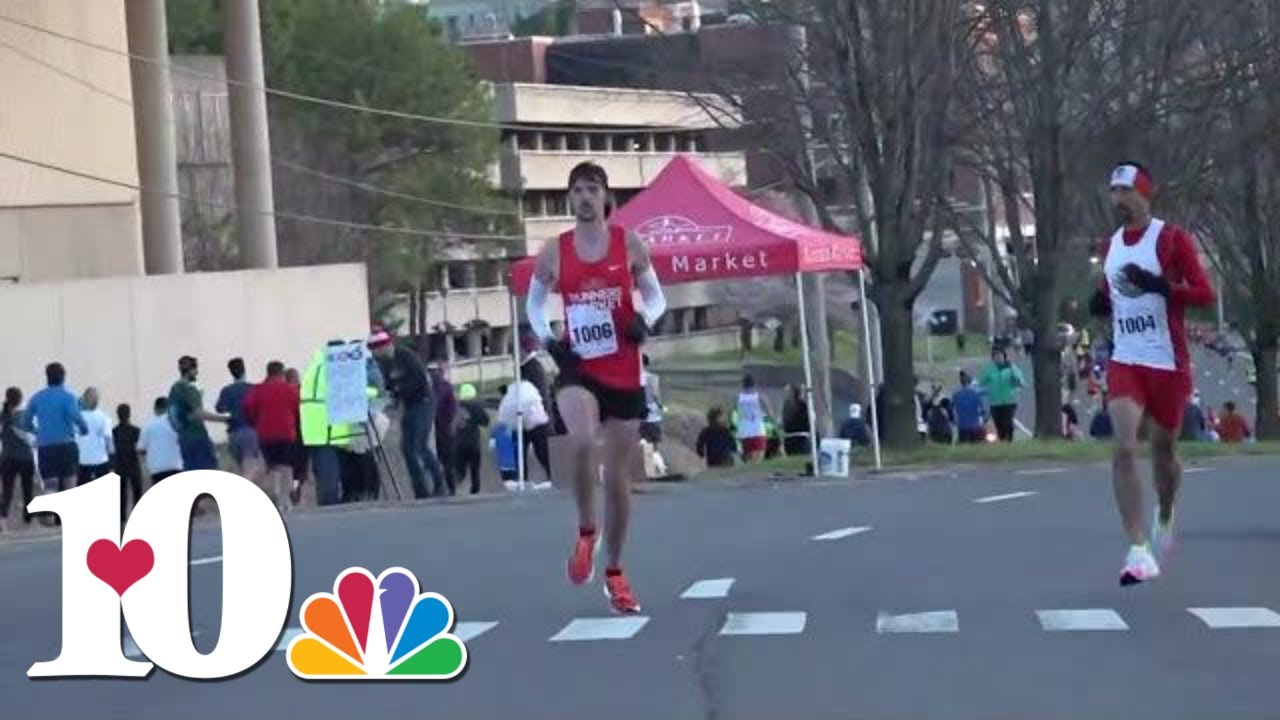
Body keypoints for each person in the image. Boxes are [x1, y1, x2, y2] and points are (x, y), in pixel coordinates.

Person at [525, 161, 667, 614]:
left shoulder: (629, 244)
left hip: (624, 368)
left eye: (592, 189)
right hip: (578, 366)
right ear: (569, 200)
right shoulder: (555, 251)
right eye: (577, 190)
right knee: (583, 441)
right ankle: (587, 531)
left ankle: (615, 571)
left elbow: (657, 296)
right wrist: (550, 340)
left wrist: (645, 320)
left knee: (619, 479)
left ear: (605, 197)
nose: (584, 197)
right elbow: (532, 304)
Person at [1088, 160, 1216, 585]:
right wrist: (1101, 302)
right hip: (1127, 359)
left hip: (1168, 362)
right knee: (1124, 447)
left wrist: (1161, 286)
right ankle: (1137, 548)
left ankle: (1165, 509)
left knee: (1164, 453)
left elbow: (1204, 293)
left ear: (1146, 194)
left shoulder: (1171, 239)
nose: (1119, 201)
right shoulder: (1110, 246)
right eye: (1114, 193)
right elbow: (1113, 291)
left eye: (1127, 192)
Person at [368, 330, 447, 499]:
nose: (374, 355)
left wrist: (399, 389)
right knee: (408, 449)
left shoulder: (406, 356)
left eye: (375, 350)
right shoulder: (384, 363)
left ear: (384, 347)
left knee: (418, 446)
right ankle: (421, 490)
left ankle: (439, 484)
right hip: (409, 405)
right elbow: (390, 385)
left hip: (423, 402)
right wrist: (392, 396)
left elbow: (420, 380)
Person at [23, 363, 87, 525]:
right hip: (66, 445)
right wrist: (83, 428)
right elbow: (75, 415)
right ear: (63, 377)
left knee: (50, 483)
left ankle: (50, 519)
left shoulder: (37, 397)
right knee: (69, 482)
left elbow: (25, 421)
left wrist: (36, 431)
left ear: (47, 377)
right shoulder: (68, 397)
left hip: (45, 447)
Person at [244, 361, 302, 513]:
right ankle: (285, 500)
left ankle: (275, 496)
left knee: (273, 467)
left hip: (265, 434)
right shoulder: (288, 389)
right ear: (281, 373)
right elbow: (297, 406)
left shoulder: (257, 389)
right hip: (285, 432)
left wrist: (255, 421)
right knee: (287, 467)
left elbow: (248, 407)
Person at [168, 356, 229, 471]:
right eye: (195, 369)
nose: (197, 372)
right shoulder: (190, 389)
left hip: (183, 438)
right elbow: (198, 413)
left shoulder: (174, 389)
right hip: (197, 436)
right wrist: (224, 419)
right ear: (191, 370)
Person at [216, 358, 264, 482]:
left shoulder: (227, 390)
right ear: (244, 370)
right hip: (250, 432)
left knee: (243, 470)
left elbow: (220, 409)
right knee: (252, 469)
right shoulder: (253, 388)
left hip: (233, 434)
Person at [498, 378, 552, 483]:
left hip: (519, 424)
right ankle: (551, 475)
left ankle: (521, 479)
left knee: (520, 454)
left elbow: (503, 419)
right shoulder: (527, 388)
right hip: (536, 421)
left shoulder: (509, 398)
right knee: (542, 451)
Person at [1, 387, 36, 532]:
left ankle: (3, 521)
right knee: (28, 490)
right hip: (26, 458)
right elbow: (34, 432)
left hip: (8, 458)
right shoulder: (25, 415)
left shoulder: (2, 417)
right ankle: (28, 521)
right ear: (20, 400)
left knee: (7, 491)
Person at [979, 348, 1024, 442]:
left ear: (1004, 357)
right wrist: (986, 390)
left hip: (1009, 401)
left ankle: (1010, 440)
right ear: (993, 359)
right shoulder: (989, 369)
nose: (998, 358)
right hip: (995, 402)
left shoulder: (1011, 367)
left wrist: (1014, 375)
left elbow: (1020, 381)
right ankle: (1003, 440)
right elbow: (980, 383)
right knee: (999, 424)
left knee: (1008, 422)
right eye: (996, 357)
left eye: (1000, 356)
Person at [139, 397, 183, 485]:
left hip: (157, 470)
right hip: (176, 467)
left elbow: (141, 449)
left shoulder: (147, 426)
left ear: (155, 409)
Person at [428, 363, 458, 496]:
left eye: (436, 371)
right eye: (431, 371)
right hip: (435, 428)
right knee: (438, 460)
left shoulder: (444, 388)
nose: (434, 374)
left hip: (443, 428)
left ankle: (449, 488)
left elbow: (452, 408)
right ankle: (441, 487)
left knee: (446, 461)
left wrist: (451, 424)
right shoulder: (432, 387)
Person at [454, 383, 489, 495]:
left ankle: (452, 487)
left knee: (459, 469)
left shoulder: (455, 407)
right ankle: (475, 490)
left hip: (458, 443)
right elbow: (485, 421)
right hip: (473, 442)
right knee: (475, 469)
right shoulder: (476, 407)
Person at [75, 387, 113, 486]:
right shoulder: (104, 417)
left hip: (83, 462)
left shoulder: (77, 418)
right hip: (101, 461)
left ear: (84, 399)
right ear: (97, 400)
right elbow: (108, 441)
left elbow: (73, 439)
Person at [112, 403, 143, 521]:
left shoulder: (114, 432)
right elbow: (139, 448)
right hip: (133, 463)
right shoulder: (136, 431)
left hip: (119, 465)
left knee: (121, 495)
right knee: (137, 491)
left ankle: (122, 517)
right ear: (129, 415)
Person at [735, 374, 771, 462]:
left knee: (748, 462)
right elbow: (770, 415)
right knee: (758, 462)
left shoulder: (738, 398)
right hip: (758, 432)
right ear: (754, 385)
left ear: (743, 385)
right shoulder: (760, 397)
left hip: (744, 433)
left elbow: (732, 414)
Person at [951, 371, 987, 443]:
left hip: (962, 427)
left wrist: (955, 421)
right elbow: (983, 411)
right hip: (975, 427)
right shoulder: (976, 394)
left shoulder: (955, 395)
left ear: (961, 383)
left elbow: (951, 410)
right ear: (970, 382)